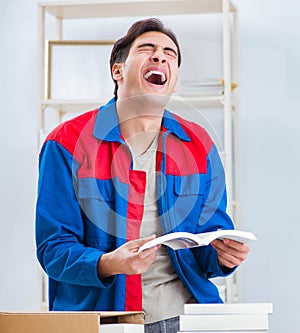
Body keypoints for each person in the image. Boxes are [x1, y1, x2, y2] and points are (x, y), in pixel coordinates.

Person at [35, 18, 249, 333]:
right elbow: (53, 249)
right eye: (147, 49)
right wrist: (108, 263)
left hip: (188, 318)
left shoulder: (199, 145)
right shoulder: (66, 142)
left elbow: (208, 240)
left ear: (174, 81)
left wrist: (224, 256)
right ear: (117, 71)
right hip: (105, 319)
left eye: (169, 54)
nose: (160, 57)